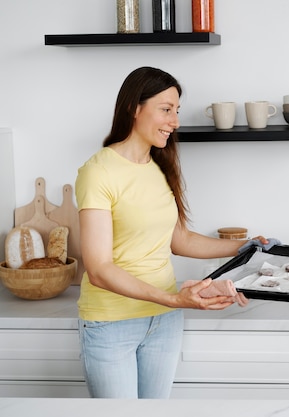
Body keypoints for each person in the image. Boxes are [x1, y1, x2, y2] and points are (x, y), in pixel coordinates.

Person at [75, 66, 276, 399]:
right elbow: (98, 270)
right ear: (134, 108)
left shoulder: (157, 167)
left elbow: (179, 240)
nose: (175, 121)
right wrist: (174, 298)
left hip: (163, 323)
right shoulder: (98, 172)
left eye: (177, 111)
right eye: (166, 110)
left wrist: (248, 246)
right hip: (112, 323)